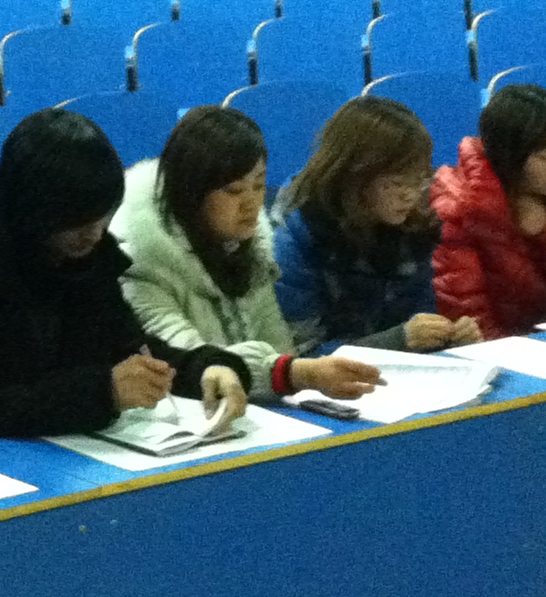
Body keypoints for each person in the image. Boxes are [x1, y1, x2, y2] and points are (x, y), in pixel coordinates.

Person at [0, 109, 249, 438]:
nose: (95, 234)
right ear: (33, 207)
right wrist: (101, 393)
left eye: (103, 216)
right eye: (77, 220)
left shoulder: (91, 261)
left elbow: (133, 350)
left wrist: (206, 368)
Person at [113, 104, 383, 403]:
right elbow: (191, 365)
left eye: (258, 185)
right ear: (191, 192)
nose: (251, 203)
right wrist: (296, 373)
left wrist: (294, 372)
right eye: (233, 190)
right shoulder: (141, 260)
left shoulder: (249, 248)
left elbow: (279, 347)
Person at [272, 96, 480, 354]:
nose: (410, 195)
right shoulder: (297, 236)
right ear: (354, 178)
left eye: (418, 180)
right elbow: (301, 354)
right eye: (396, 183)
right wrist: (396, 341)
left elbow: (420, 313)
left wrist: (448, 336)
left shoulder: (412, 224)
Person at [430, 83, 546, 337]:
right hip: (495, 349)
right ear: (509, 155)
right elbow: (471, 327)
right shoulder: (459, 210)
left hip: (542, 340)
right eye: (544, 156)